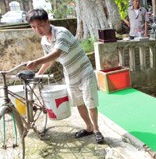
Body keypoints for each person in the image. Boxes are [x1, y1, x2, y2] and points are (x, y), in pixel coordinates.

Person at [25, 9, 104, 144]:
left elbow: (57, 53)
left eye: (40, 25)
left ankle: (97, 130)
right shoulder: (44, 41)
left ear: (48, 22)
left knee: (89, 102)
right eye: (33, 27)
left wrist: (36, 62)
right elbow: (50, 61)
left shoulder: (61, 33)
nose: (38, 30)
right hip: (70, 74)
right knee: (79, 103)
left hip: (84, 70)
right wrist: (39, 74)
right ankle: (89, 127)